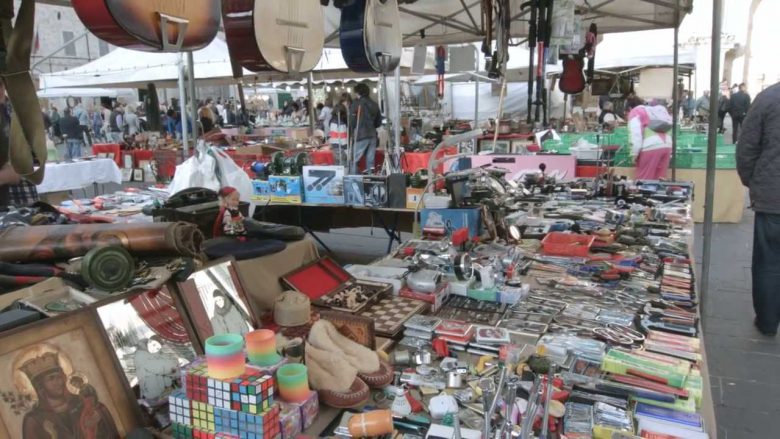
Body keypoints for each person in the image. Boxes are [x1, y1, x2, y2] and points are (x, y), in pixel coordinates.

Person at [736, 82, 780, 336]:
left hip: (773, 196)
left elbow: (746, 148)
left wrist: (753, 182)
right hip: (772, 195)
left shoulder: (769, 98)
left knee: (769, 263)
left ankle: (768, 321)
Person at [20, 351, 119, 438]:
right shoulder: (34, 419)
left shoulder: (82, 403)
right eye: (51, 378)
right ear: (40, 386)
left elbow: (105, 421)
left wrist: (98, 418)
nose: (58, 382)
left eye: (59, 377)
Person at [627, 97, 673, 179]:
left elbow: (636, 135)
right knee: (660, 179)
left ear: (630, 108)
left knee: (644, 180)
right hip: (667, 145)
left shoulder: (635, 112)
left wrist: (634, 154)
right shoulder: (653, 110)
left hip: (650, 146)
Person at [132, 336, 180, 400]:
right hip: (153, 394)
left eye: (157, 348)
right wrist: (174, 369)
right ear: (149, 342)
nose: (154, 348)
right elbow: (161, 368)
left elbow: (171, 362)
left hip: (164, 392)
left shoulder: (153, 352)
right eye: (153, 345)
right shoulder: (141, 355)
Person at [349, 83, 381, 174]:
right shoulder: (374, 104)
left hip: (360, 135)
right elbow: (378, 122)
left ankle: (354, 179)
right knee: (370, 161)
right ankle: (370, 179)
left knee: (354, 159)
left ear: (358, 92)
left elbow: (352, 121)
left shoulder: (356, 103)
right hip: (372, 135)